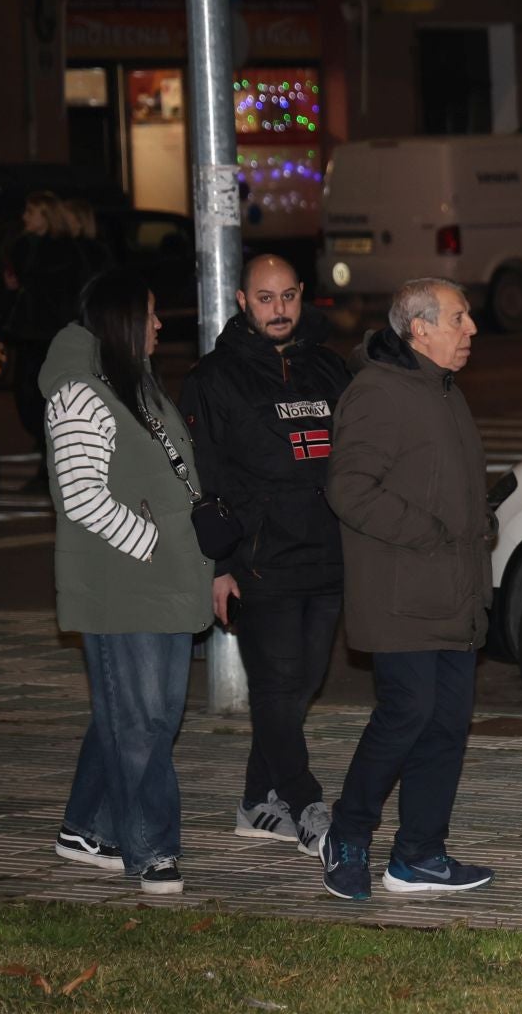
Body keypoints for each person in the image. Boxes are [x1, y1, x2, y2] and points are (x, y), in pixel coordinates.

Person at [317, 278, 495, 901]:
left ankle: (419, 855)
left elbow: (439, 480)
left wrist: (478, 520)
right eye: (459, 317)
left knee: (446, 723)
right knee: (407, 715)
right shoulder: (379, 392)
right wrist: (427, 533)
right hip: (402, 595)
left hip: (452, 591)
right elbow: (349, 488)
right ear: (418, 329)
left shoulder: (441, 389)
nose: (471, 328)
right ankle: (347, 832)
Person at [44, 269, 215, 894]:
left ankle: (85, 827)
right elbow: (81, 494)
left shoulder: (134, 385)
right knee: (141, 720)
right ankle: (150, 851)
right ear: (120, 320)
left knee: (143, 716)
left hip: (164, 578)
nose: (160, 324)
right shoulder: (78, 392)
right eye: (150, 312)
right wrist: (152, 543)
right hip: (125, 585)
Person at [180, 254, 351, 855]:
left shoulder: (330, 370)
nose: (278, 310)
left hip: (328, 555)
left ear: (302, 294)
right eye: (264, 298)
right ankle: (306, 803)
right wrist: (219, 567)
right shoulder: (214, 377)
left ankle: (257, 801)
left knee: (302, 684)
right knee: (277, 689)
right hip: (260, 560)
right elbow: (201, 477)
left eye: (287, 296)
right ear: (241, 300)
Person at [4, 192, 83, 471]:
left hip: (52, 333)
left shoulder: (63, 250)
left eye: (31, 212)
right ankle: (43, 446)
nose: (25, 217)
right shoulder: (25, 246)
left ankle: (50, 457)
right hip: (29, 332)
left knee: (46, 395)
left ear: (45, 215)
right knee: (25, 394)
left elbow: (59, 289)